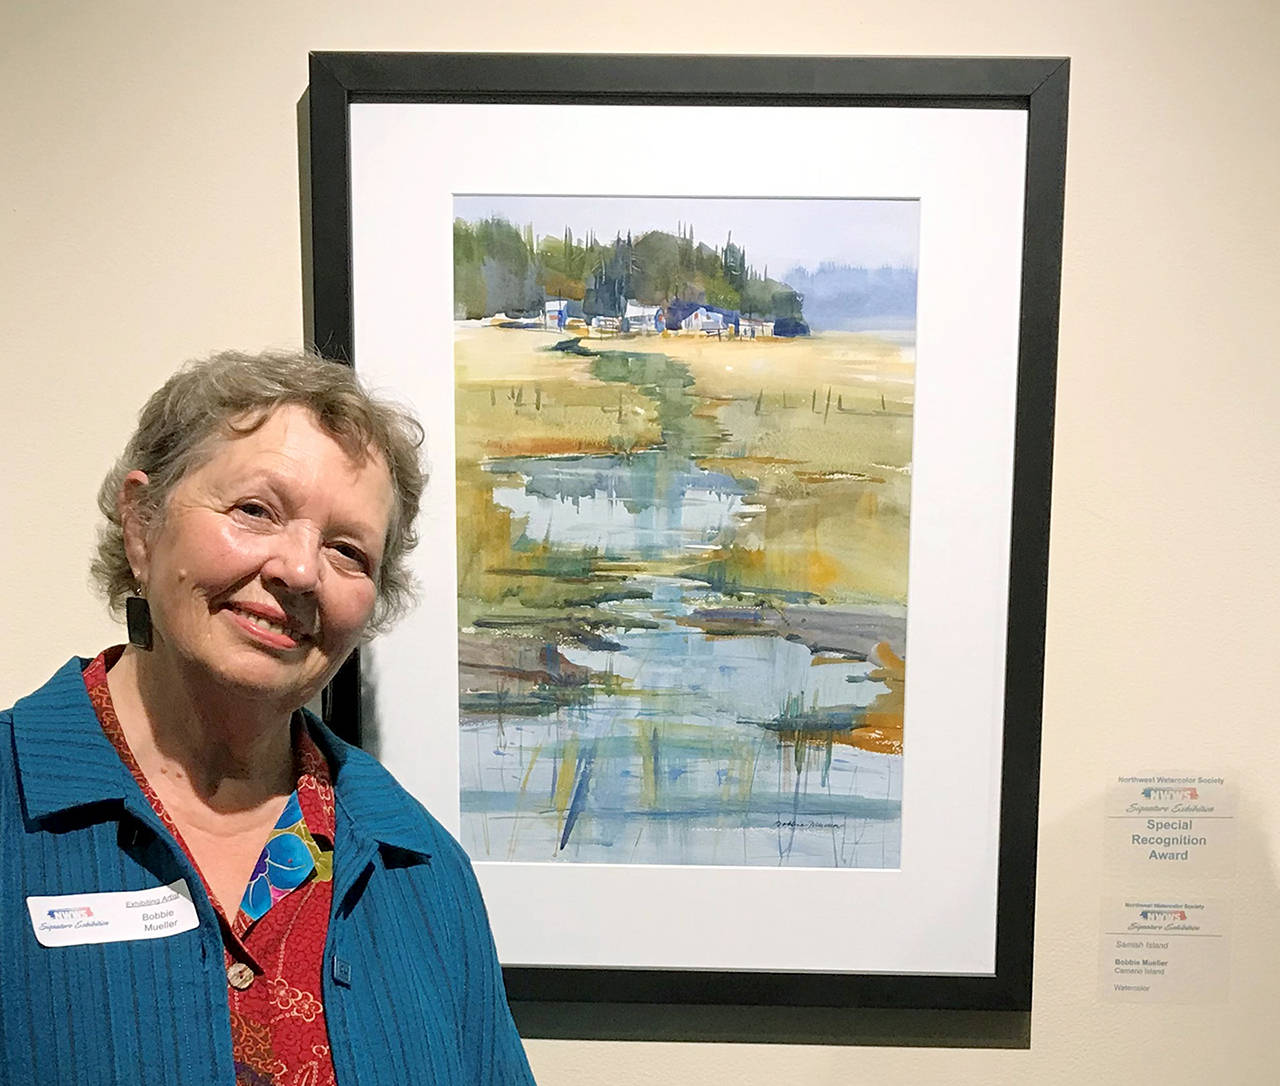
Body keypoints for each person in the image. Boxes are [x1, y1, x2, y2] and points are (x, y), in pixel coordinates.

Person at [0, 350, 536, 1085]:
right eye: (256, 511)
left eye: (348, 551)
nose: (300, 570)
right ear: (141, 526)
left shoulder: (417, 867)